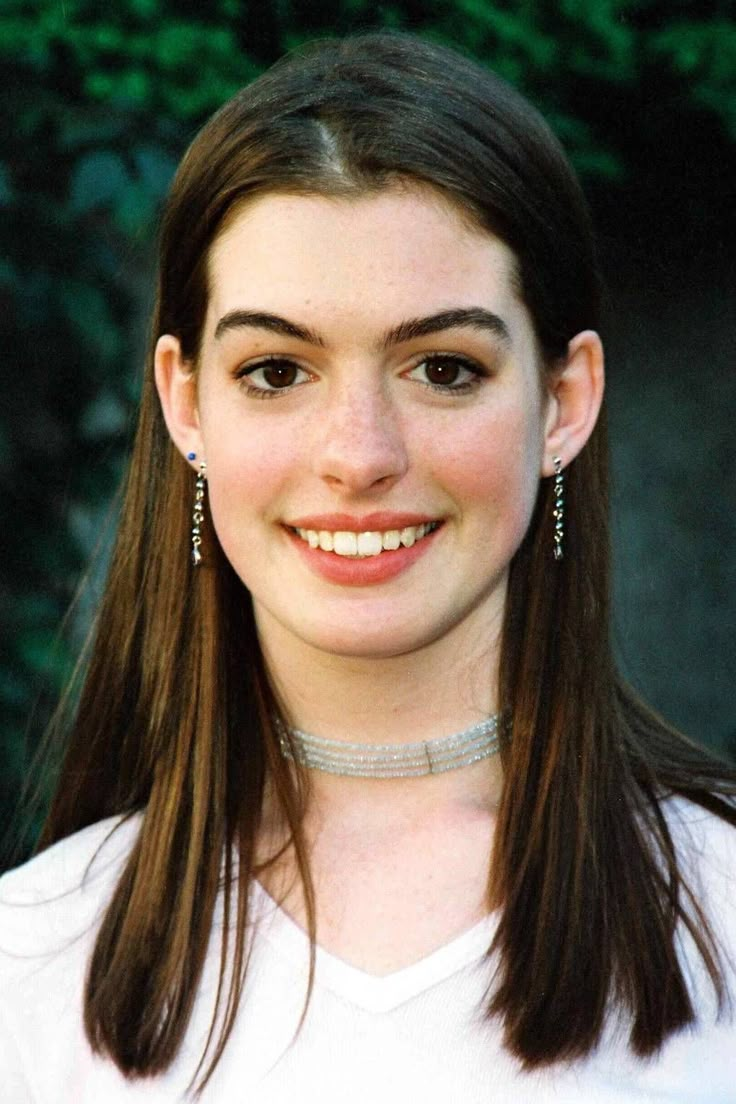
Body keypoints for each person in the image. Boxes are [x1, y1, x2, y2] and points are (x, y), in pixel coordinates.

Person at [1, 31, 735, 1103]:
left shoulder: (719, 915)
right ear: (186, 401)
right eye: (276, 370)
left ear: (563, 402)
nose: (359, 455)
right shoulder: (30, 960)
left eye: (442, 368)